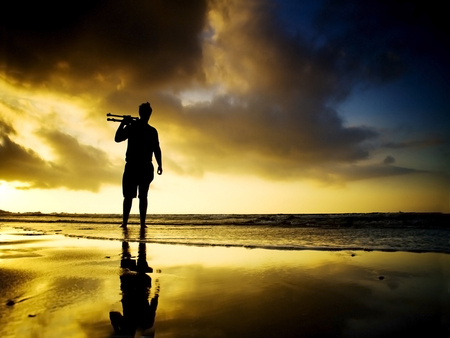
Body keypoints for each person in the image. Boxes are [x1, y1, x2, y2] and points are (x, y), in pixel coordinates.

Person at [115, 102, 162, 228]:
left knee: (130, 196)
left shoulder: (133, 127)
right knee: (142, 196)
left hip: (134, 166)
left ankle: (126, 223)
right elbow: (157, 149)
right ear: (149, 114)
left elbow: (117, 138)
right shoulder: (151, 131)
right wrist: (159, 165)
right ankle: (141, 224)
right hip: (143, 166)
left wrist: (123, 123)